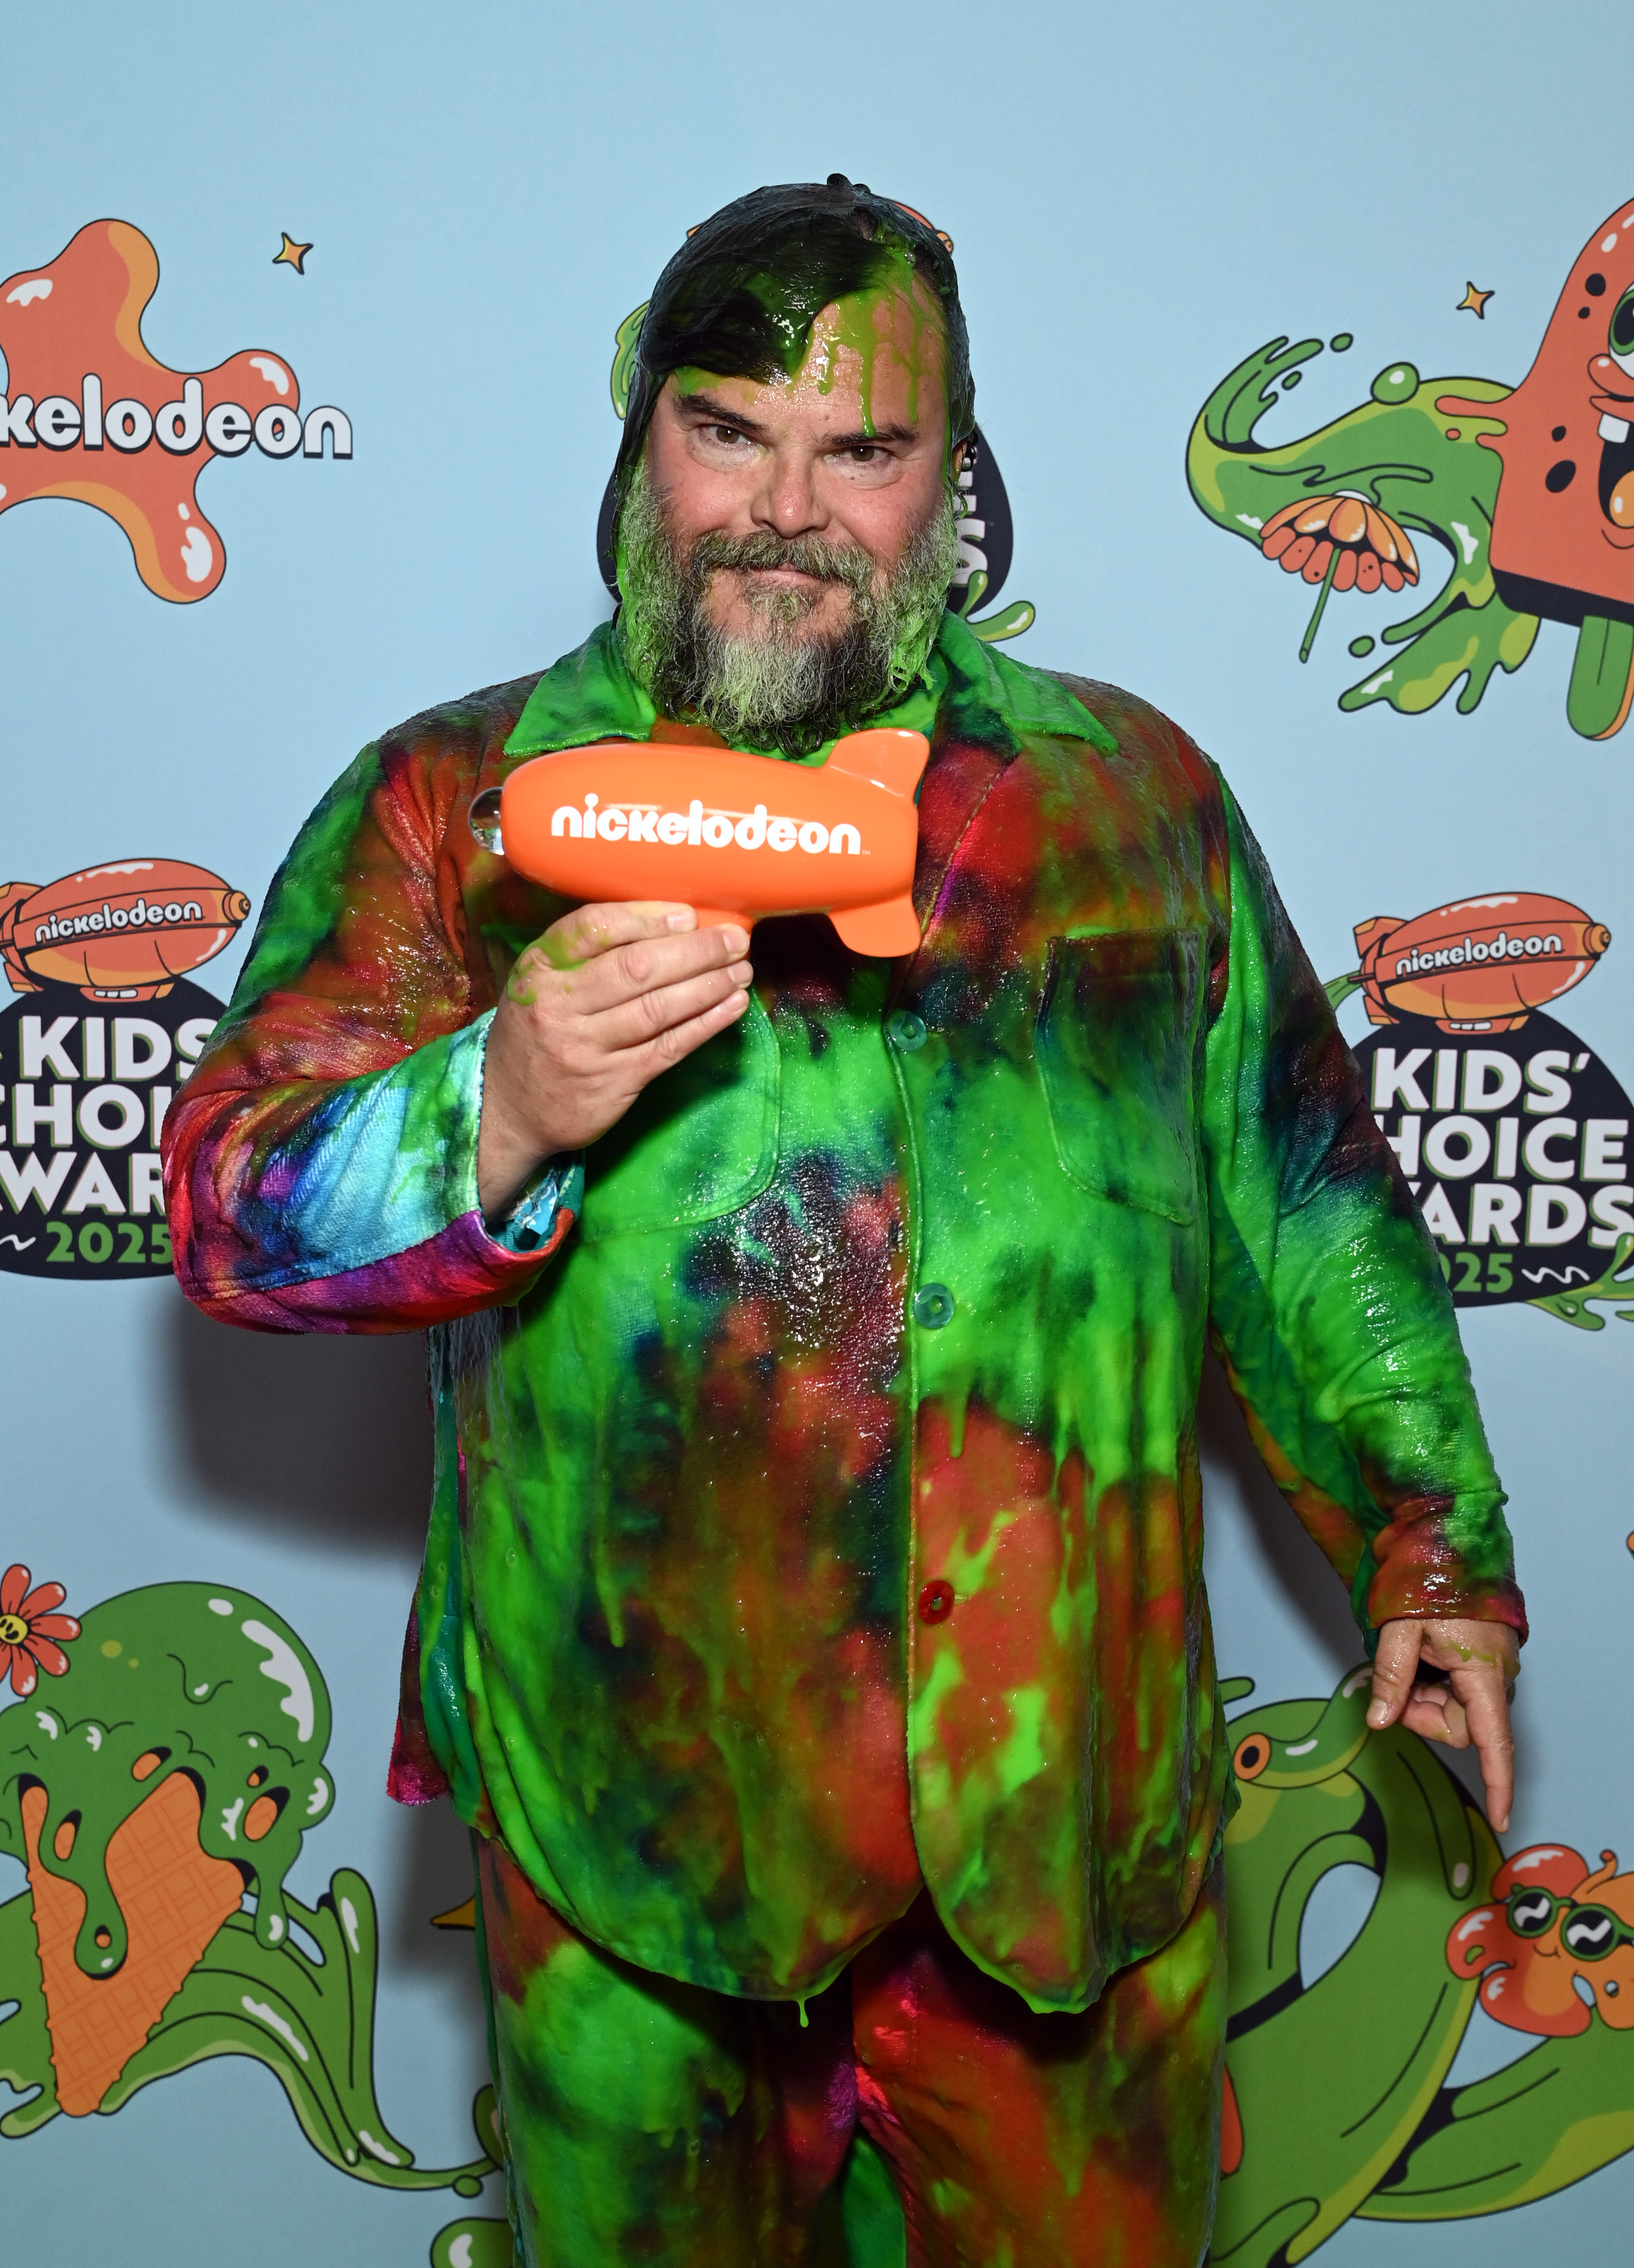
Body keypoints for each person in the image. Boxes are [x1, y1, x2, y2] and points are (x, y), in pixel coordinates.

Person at [165, 177, 1525, 2268]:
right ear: (642, 442)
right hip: (636, 1858)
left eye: (860, 448)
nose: (784, 511)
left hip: (1066, 1848)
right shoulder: (455, 805)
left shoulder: (1131, 798)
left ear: (951, 483)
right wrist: (497, 1103)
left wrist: (1431, 1532)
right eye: (728, 430)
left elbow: (1301, 1193)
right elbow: (235, 1211)